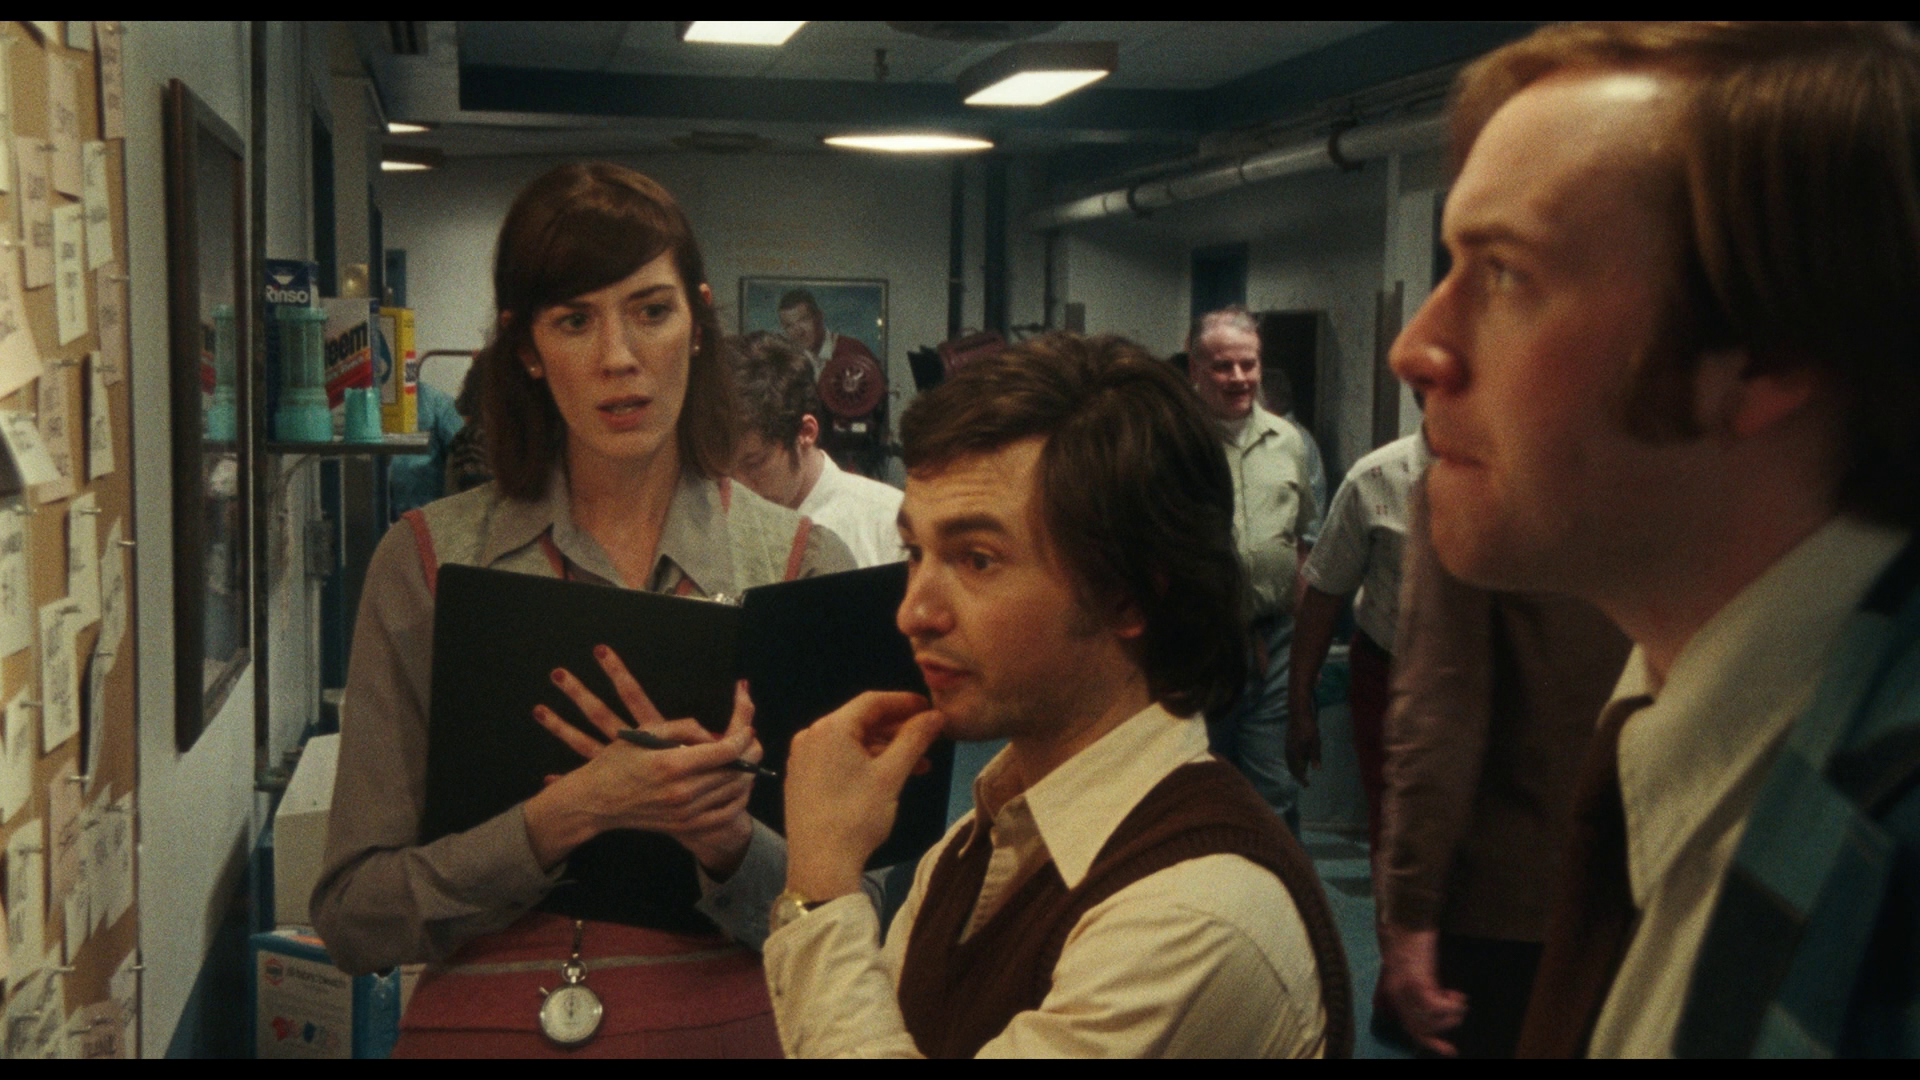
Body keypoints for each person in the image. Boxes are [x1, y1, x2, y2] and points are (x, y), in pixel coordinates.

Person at [1389, 22, 1920, 1057]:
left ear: (1763, 354)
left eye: (1505, 273)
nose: (1417, 346)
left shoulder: (1893, 860)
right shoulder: (1684, 710)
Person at [310, 162, 855, 1057]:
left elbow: (857, 911)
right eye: (574, 321)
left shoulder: (799, 567)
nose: (618, 357)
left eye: (651, 311)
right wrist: (560, 819)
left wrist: (728, 841)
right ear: (526, 348)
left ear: (698, 323)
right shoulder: (427, 563)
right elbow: (354, 918)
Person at [757, 333, 1353, 1058]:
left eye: (978, 560)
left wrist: (820, 887)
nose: (913, 612)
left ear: (1127, 593)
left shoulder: (1195, 914)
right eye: (916, 553)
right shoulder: (980, 841)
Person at [1374, 475, 1628, 1058]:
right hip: (1644, 885)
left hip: (1505, 902)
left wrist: (1409, 915)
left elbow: (1439, 717)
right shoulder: (1686, 475)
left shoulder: (1475, 485)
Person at [1187, 306, 1318, 831]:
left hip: (1276, 642)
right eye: (1223, 366)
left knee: (1274, 792)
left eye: (1249, 364)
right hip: (1200, 646)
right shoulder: (1174, 442)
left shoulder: (1290, 442)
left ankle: (1275, 880)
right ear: (1197, 369)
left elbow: (1302, 544)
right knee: (1200, 788)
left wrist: (1303, 653)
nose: (1239, 378)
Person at [1287, 428, 1429, 846]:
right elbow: (1324, 593)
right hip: (1390, 673)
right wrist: (1299, 705)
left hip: (1489, 678)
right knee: (1395, 826)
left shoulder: (1518, 471)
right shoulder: (1375, 478)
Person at [727, 330, 904, 568]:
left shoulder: (889, 522)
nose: (740, 488)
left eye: (754, 464)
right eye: (726, 471)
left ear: (806, 432)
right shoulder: (716, 527)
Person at [388, 381, 466, 517]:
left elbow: (465, 461)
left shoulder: (438, 406)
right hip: (374, 518)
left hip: (429, 517)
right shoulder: (361, 400)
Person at [777, 288, 880, 380]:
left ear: (820, 317)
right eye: (789, 326)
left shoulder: (854, 351)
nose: (799, 332)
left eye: (804, 320)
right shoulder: (790, 363)